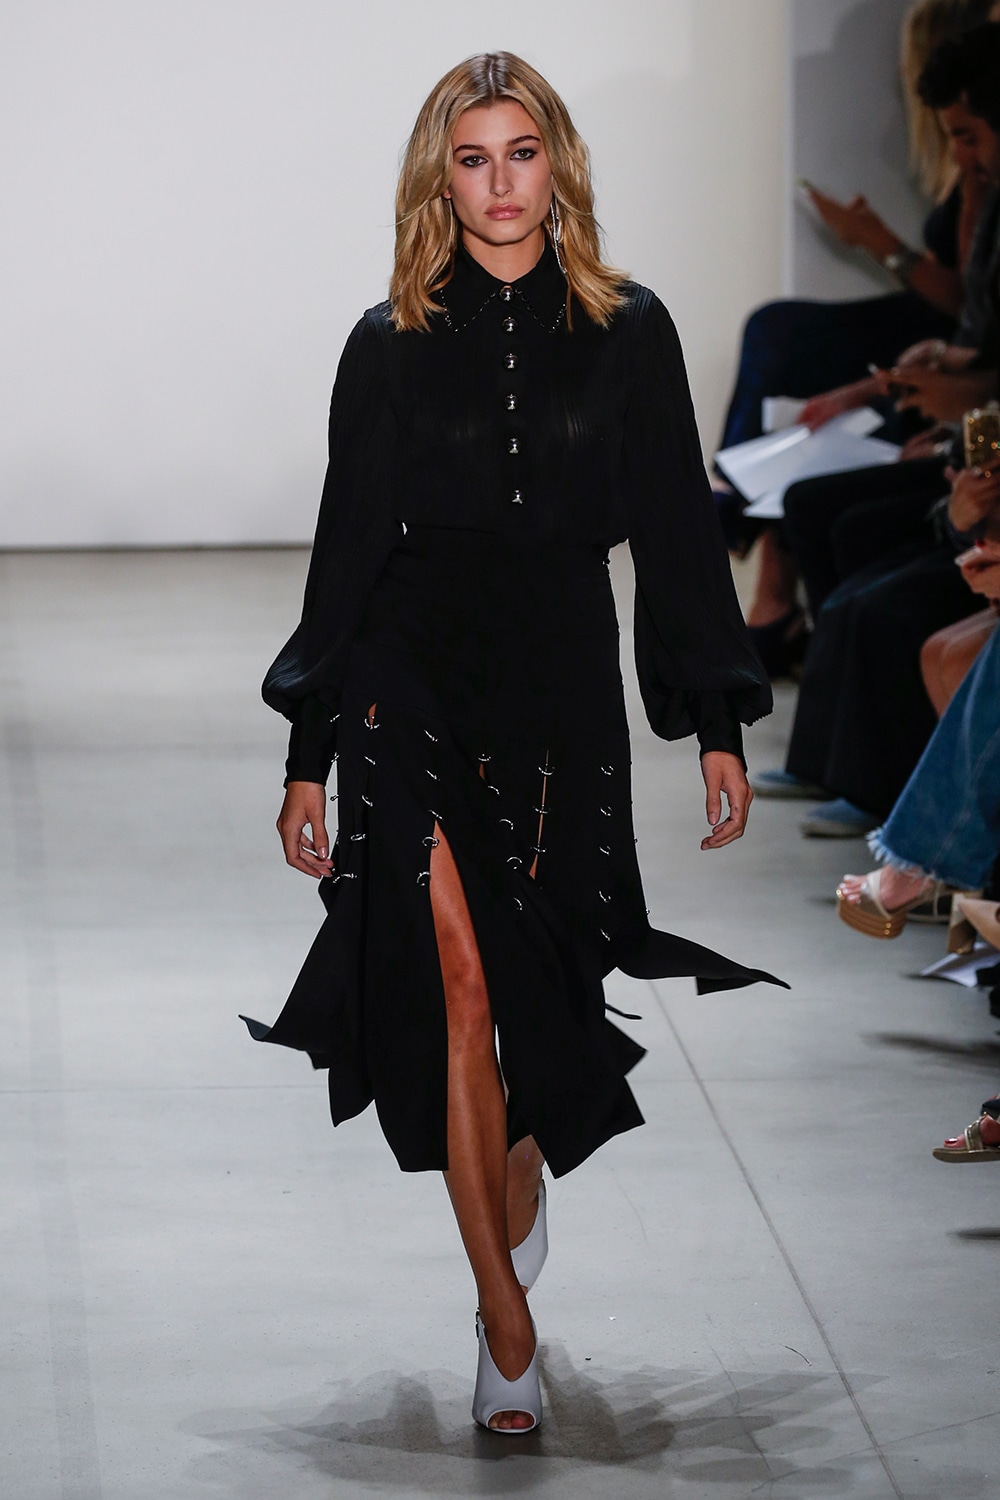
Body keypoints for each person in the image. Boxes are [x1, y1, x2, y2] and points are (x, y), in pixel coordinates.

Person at [240, 53, 784, 1434]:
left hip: (556, 685)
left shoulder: (630, 330)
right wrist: (308, 749)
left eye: (521, 153)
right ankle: (505, 1317)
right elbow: (345, 553)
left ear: (559, 166)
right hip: (407, 675)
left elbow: (675, 531)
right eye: (472, 158)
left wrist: (717, 722)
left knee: (544, 983)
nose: (499, 183)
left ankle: (519, 1174)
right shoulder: (388, 341)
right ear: (441, 177)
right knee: (463, 993)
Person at [714, 0, 996, 675]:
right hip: (953, 351)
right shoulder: (974, 173)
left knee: (782, 335)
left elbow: (969, 306)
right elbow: (976, 314)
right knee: (777, 332)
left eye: (967, 135)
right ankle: (743, 524)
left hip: (955, 351)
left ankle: (741, 532)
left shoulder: (980, 178)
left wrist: (878, 243)